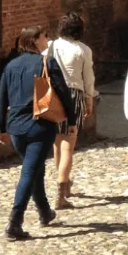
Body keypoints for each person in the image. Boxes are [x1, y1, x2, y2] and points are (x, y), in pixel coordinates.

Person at [0, 26, 76, 239]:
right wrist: (71, 120)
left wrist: (1, 127)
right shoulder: (46, 63)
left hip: (16, 129)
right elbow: (63, 94)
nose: (47, 40)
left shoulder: (11, 66)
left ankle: (44, 212)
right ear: (34, 41)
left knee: (35, 169)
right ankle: (14, 222)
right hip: (40, 125)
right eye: (44, 37)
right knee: (29, 172)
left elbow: (2, 99)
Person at [47, 12, 94, 209]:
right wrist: (89, 99)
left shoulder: (51, 46)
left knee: (57, 144)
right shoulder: (83, 50)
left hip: (54, 95)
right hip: (74, 95)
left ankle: (63, 181)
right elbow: (88, 77)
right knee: (68, 145)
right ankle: (61, 190)